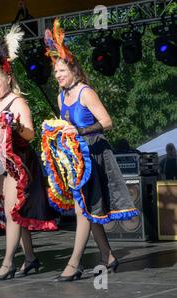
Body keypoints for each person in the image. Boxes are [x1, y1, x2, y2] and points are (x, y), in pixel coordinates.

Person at [0, 16, 58, 281]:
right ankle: (30, 258)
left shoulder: (18, 103)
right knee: (13, 213)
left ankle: (8, 262)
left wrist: (15, 127)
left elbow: (30, 133)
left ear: (7, 78)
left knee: (12, 214)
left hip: (19, 163)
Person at [43, 19, 139, 281]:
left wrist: (80, 131)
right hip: (75, 158)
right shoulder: (61, 96)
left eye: (62, 71)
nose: (58, 76)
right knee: (87, 209)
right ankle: (107, 255)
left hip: (94, 154)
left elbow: (107, 122)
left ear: (73, 70)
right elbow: (66, 126)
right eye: (56, 73)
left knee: (82, 210)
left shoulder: (86, 92)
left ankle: (74, 264)